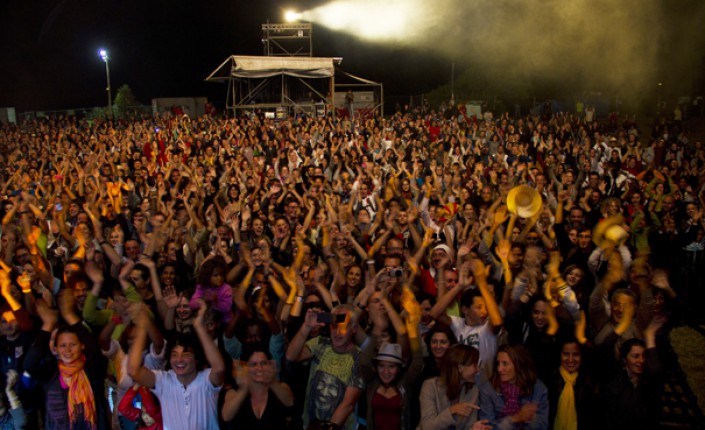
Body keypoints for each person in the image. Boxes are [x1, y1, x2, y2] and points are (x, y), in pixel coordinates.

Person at [127, 300, 225, 430]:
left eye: (186, 354)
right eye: (174, 354)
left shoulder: (206, 380)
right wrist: (142, 326)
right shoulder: (163, 380)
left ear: (196, 359)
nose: (179, 359)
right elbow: (133, 371)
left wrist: (199, 327)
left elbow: (219, 367)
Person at [285, 305, 364, 430]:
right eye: (334, 326)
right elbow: (291, 356)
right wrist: (306, 326)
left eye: (343, 327)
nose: (337, 332)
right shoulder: (320, 343)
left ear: (354, 329)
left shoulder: (359, 358)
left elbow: (347, 405)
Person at [601, 321, 663, 430]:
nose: (641, 360)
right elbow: (605, 347)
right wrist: (622, 325)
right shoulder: (615, 379)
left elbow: (656, 370)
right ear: (625, 359)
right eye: (636, 356)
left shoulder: (647, 383)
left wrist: (649, 336)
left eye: (644, 356)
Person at [220, 343, 294, 430]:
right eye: (253, 364)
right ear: (245, 367)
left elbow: (290, 402)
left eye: (264, 363)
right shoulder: (233, 392)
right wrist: (244, 388)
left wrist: (271, 381)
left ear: (270, 364)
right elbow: (226, 416)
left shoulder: (280, 387)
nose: (259, 368)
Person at [418, 344, 491, 430]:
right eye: (474, 365)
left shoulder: (473, 390)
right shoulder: (430, 386)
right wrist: (451, 410)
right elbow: (427, 427)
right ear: (460, 367)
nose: (478, 369)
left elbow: (468, 426)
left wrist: (472, 429)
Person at [479, 344, 549, 429]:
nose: (499, 369)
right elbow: (486, 427)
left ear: (519, 365)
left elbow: (543, 426)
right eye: (498, 363)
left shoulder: (538, 388)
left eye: (505, 364)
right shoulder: (488, 390)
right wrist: (515, 418)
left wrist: (531, 418)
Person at [546, 340, 597, 430]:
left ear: (581, 356)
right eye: (566, 354)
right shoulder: (550, 380)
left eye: (575, 354)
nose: (570, 359)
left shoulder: (588, 382)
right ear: (560, 355)